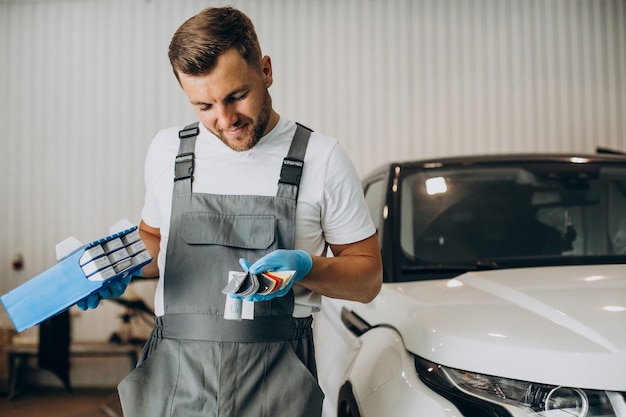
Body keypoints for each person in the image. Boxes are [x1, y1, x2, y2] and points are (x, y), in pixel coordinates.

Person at [79, 6, 382, 417]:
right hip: (173, 379)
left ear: (267, 71)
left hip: (276, 383)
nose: (224, 120)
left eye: (236, 96)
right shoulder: (168, 151)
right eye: (203, 106)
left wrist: (305, 266)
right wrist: (120, 267)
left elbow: (367, 279)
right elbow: (153, 239)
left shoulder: (322, 158)